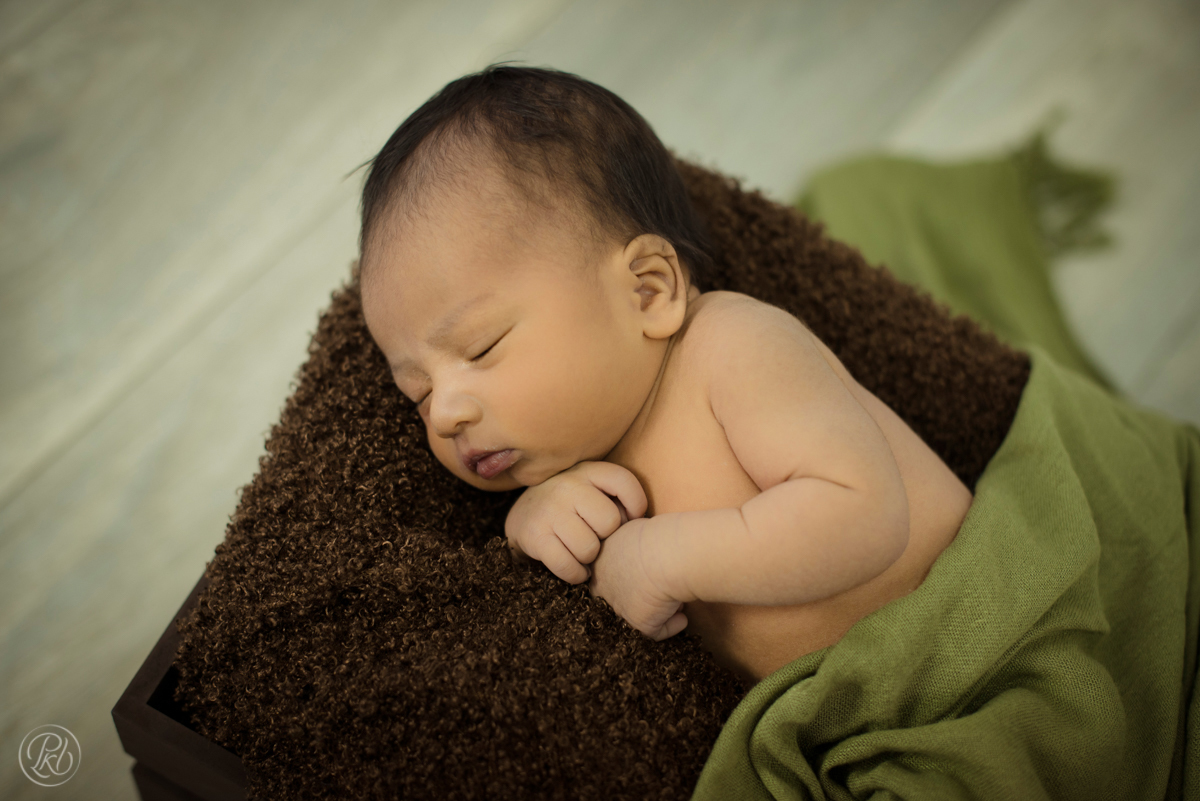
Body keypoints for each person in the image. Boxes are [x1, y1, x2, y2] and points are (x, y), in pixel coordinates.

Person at [358, 64, 973, 685]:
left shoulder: (732, 346)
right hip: (851, 711)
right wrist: (530, 524)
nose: (442, 413)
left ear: (647, 292)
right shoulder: (570, 460)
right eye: (418, 390)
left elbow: (865, 514)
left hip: (968, 627)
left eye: (480, 347)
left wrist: (665, 560)